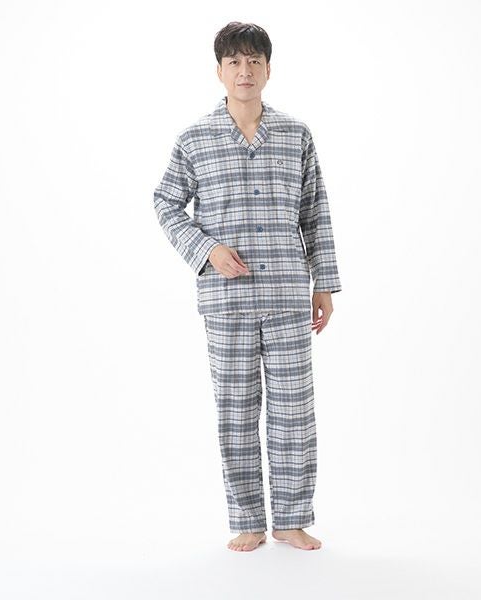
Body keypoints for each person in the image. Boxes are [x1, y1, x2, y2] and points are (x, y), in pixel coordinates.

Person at [153, 21, 342, 552]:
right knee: (236, 412)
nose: (244, 70)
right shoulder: (194, 139)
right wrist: (206, 249)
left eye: (254, 61)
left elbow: (314, 212)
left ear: (268, 69)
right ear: (219, 71)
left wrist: (324, 284)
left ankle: (291, 518)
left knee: (293, 412)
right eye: (234, 61)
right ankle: (248, 520)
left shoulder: (296, 135)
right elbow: (166, 202)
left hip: (287, 295)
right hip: (227, 301)